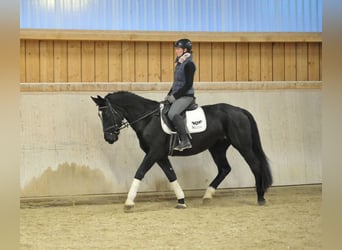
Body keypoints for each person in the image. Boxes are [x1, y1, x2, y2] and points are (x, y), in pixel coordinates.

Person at [164, 38, 196, 151]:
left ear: (185, 50)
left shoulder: (189, 65)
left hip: (186, 96)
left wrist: (175, 96)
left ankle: (185, 140)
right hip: (177, 95)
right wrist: (169, 95)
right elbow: (176, 83)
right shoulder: (179, 63)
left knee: (172, 113)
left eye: (178, 49)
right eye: (176, 49)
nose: (176, 51)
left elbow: (188, 84)